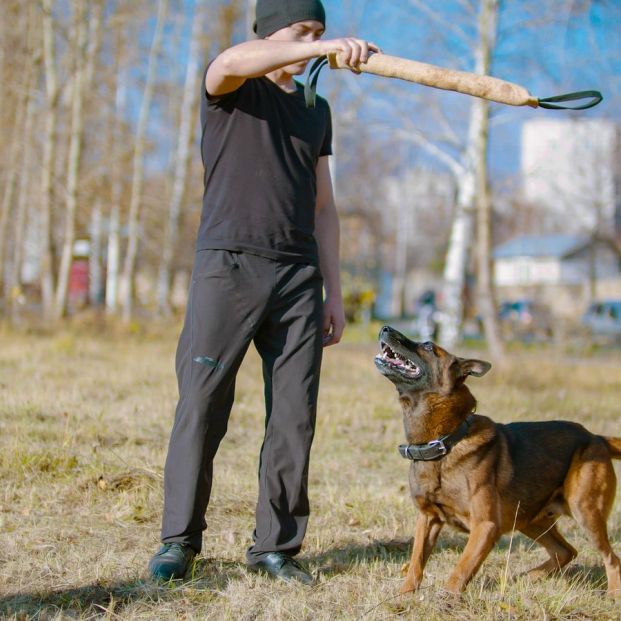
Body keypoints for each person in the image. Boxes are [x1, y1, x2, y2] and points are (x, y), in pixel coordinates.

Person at [148, 0, 379, 585]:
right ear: (273, 30)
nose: (314, 42)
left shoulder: (315, 111)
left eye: (321, 33)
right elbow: (232, 60)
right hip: (228, 267)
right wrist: (323, 48)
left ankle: (276, 548)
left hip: (298, 276)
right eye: (303, 30)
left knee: (295, 419)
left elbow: (325, 207)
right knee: (202, 405)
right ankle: (179, 542)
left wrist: (332, 290)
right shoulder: (232, 86)